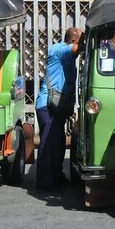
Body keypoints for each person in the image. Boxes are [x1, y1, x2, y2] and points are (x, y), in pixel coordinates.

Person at [35, 27, 84, 192]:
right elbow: (77, 49)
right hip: (48, 105)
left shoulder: (64, 53)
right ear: (73, 41)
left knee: (58, 143)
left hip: (56, 107)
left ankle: (56, 177)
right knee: (49, 143)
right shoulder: (60, 50)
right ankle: (45, 181)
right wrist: (88, 35)